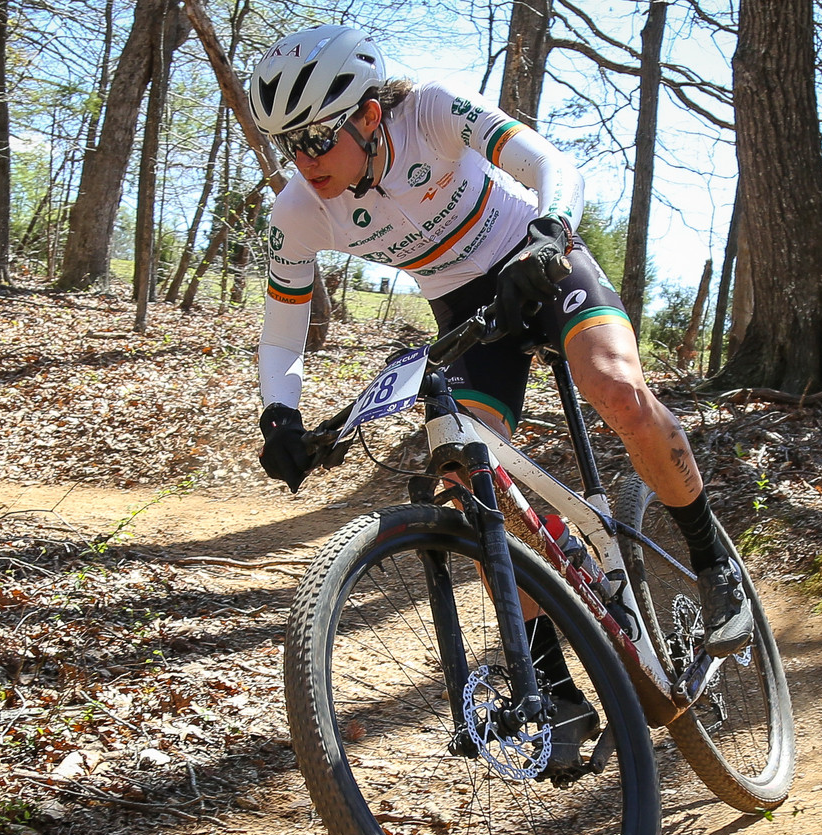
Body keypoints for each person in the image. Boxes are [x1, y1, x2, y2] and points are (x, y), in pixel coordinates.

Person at [247, 24, 753, 766]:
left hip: (542, 260)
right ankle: (551, 682)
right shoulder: (298, 212)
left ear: (369, 115)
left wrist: (550, 233)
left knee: (614, 388)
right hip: (466, 313)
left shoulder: (431, 110)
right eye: (288, 144)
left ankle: (714, 563)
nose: (305, 160)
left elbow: (547, 161)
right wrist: (280, 416)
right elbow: (282, 333)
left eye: (318, 137)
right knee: (467, 476)